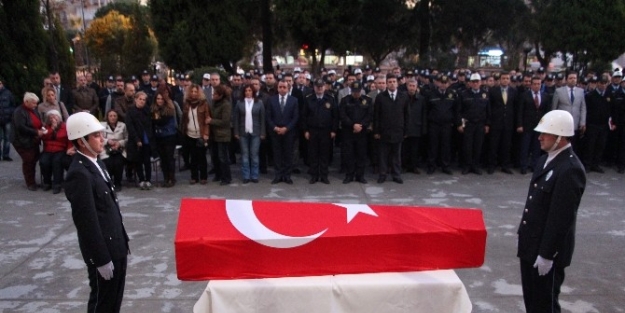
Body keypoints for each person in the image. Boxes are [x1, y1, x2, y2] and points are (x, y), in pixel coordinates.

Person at [517, 110, 586, 313]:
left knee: (545, 305)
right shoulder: (544, 160)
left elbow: (561, 218)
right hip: (531, 246)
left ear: (560, 137)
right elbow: (534, 205)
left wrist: (547, 254)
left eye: (545, 133)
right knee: (532, 301)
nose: (539, 137)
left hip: (546, 253)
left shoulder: (570, 169)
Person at [64, 112, 130, 313]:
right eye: (96, 136)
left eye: (101, 134)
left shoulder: (98, 163)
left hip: (116, 245)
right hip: (104, 252)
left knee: (114, 302)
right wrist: (101, 258)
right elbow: (87, 222)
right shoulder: (79, 173)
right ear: (82, 141)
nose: (102, 139)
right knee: (102, 304)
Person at [373, 74, 409, 184]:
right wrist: (376, 131)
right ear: (387, 84)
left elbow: (407, 115)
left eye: (394, 81)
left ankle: (396, 174)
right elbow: (376, 115)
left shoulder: (403, 96)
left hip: (398, 130)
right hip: (384, 131)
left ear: (397, 83)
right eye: (390, 82)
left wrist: (406, 131)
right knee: (383, 155)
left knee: (396, 155)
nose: (392, 83)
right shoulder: (381, 97)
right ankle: (382, 174)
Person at [302, 79, 338, 184]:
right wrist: (305, 130)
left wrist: (334, 130)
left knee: (324, 154)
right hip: (312, 130)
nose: (320, 88)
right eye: (318, 86)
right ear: (314, 87)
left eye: (321, 86)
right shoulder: (309, 99)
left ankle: (324, 175)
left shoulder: (330, 99)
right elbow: (304, 116)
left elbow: (335, 116)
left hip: (326, 131)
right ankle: (314, 175)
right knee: (313, 154)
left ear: (325, 87)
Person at [516, 77, 551, 174]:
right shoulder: (524, 95)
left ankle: (534, 165)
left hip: (539, 126)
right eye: (534, 84)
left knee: (536, 147)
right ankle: (523, 166)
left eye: (538, 84)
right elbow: (520, 111)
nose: (536, 86)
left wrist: (546, 126)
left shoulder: (545, 96)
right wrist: (519, 125)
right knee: (525, 147)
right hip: (526, 125)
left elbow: (547, 112)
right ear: (531, 85)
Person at [339, 81, 373, 183]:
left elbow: (369, 115)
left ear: (361, 91)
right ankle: (349, 175)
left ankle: (360, 176)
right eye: (354, 91)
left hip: (362, 132)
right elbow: (342, 115)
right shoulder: (345, 100)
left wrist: (361, 125)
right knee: (349, 154)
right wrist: (353, 125)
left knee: (361, 155)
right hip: (348, 131)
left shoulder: (367, 100)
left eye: (358, 91)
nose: (356, 93)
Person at [266, 80, 299, 184]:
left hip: (288, 132)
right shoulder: (271, 100)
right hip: (275, 131)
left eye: (284, 87)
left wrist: (286, 128)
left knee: (288, 154)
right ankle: (278, 175)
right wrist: (275, 127)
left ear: (288, 88)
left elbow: (295, 117)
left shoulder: (294, 100)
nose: (282, 89)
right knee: (277, 154)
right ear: (277, 88)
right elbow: (268, 116)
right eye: (280, 87)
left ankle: (287, 175)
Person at [458, 73, 490, 175]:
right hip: (468, 124)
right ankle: (467, 166)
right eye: (473, 82)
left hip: (480, 124)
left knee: (478, 146)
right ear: (470, 83)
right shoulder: (464, 94)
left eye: (477, 81)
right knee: (467, 146)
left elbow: (488, 111)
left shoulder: (485, 94)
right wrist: (460, 124)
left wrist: (487, 124)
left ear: (480, 82)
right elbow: (459, 111)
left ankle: (475, 166)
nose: (475, 83)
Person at [11, 92, 43, 190]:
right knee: (28, 161)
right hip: (22, 141)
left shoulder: (33, 110)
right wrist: (36, 132)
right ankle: (30, 183)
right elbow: (21, 127)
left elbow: (38, 122)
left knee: (33, 160)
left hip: (33, 140)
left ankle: (32, 180)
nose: (35, 105)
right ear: (26, 102)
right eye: (33, 103)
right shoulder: (19, 112)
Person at [233, 84, 265, 183]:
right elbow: (236, 119)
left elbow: (262, 118)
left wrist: (263, 132)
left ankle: (254, 175)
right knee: (245, 155)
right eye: (246, 91)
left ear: (253, 92)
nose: (248, 92)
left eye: (250, 90)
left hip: (256, 132)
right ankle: (246, 176)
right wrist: (236, 132)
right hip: (243, 132)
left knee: (254, 154)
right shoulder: (239, 103)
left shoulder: (259, 103)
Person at [426, 74, 457, 175]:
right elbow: (427, 109)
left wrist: (455, 123)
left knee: (446, 146)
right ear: (438, 83)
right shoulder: (431, 94)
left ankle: (445, 166)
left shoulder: (452, 94)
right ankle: (431, 166)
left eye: (445, 83)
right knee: (432, 146)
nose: (443, 85)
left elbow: (456, 110)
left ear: (448, 83)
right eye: (441, 82)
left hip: (447, 125)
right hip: (434, 124)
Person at [179, 84, 210, 184]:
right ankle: (194, 176)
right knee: (193, 157)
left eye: (195, 91)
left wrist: (206, 133)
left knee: (202, 157)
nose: (193, 93)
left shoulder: (204, 103)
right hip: (189, 133)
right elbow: (183, 119)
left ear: (199, 93)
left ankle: (204, 176)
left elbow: (207, 119)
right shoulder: (186, 103)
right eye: (191, 91)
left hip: (200, 134)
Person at [487, 71, 517, 174]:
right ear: (500, 80)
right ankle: (491, 165)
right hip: (496, 122)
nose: (505, 80)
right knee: (493, 145)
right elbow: (489, 107)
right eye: (503, 78)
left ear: (509, 80)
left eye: (507, 78)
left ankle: (505, 165)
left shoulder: (513, 91)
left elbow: (515, 108)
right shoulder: (493, 91)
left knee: (506, 145)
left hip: (508, 122)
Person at [39, 110, 73, 194]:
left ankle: (57, 184)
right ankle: (47, 182)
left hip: (60, 149)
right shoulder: (46, 127)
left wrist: (69, 148)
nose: (53, 118)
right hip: (48, 149)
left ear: (59, 117)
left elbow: (69, 139)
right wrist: (52, 129)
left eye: (55, 116)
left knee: (57, 162)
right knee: (43, 162)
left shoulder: (65, 127)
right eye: (51, 117)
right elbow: (44, 137)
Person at [551, 72, 587, 151]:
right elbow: (554, 108)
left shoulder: (580, 91)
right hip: (562, 124)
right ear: (566, 80)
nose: (573, 80)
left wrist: (582, 122)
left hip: (575, 123)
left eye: (574, 78)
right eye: (571, 78)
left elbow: (583, 107)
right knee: (562, 145)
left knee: (574, 146)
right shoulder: (559, 91)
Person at [126, 92, 154, 190]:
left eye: (144, 100)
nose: (142, 101)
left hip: (146, 138)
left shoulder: (147, 111)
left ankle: (148, 179)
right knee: (138, 160)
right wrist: (136, 139)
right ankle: (141, 179)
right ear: (135, 99)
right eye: (140, 99)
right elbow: (130, 127)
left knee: (147, 160)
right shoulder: (130, 111)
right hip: (136, 139)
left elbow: (150, 124)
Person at [151, 90, 178, 187]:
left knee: (169, 157)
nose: (160, 101)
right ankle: (166, 178)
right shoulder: (154, 109)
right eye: (158, 99)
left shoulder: (169, 109)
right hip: (159, 136)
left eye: (161, 99)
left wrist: (156, 119)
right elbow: (155, 121)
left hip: (169, 136)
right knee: (163, 158)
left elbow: (160, 122)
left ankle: (171, 178)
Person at [207, 85, 233, 185]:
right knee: (215, 156)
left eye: (215, 94)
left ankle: (226, 177)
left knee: (223, 157)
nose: (213, 96)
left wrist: (211, 121)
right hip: (214, 134)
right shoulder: (214, 103)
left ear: (220, 95)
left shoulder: (226, 104)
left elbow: (225, 121)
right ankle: (218, 175)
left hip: (223, 135)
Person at [100, 109, 127, 192]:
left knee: (118, 162)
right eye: (110, 116)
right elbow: (100, 138)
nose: (113, 118)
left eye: (114, 116)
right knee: (108, 162)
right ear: (107, 117)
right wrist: (108, 141)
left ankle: (118, 183)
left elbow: (126, 138)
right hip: (106, 149)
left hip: (119, 149)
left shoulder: (122, 125)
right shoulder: (102, 126)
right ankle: (109, 182)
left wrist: (119, 143)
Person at [0, 76, 16, 161]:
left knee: (7, 138)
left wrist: (10, 114)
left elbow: (13, 105)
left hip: (7, 119)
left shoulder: (8, 93)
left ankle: (6, 155)